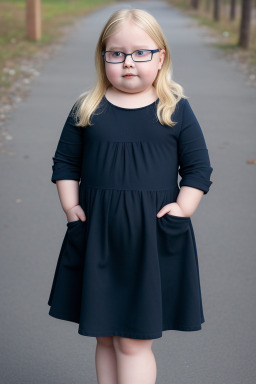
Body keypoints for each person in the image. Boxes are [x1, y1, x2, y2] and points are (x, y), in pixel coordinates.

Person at [47, 8, 213, 384]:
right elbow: (66, 163)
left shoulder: (175, 109)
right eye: (116, 53)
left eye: (141, 53)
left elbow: (198, 169)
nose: (128, 63)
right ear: (102, 56)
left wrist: (182, 209)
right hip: (97, 235)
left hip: (152, 237)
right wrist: (71, 207)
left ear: (161, 57)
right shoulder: (87, 109)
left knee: (133, 341)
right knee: (105, 336)